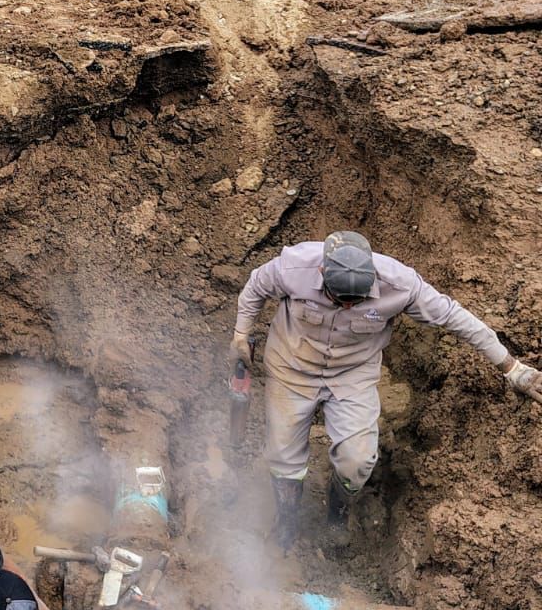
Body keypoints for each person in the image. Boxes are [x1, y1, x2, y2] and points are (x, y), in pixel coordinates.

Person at [232, 231, 542, 550]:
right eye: (341, 300)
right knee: (283, 455)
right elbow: (256, 286)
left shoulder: (401, 284)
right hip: (291, 367)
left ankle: (336, 516)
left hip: (352, 375)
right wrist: (241, 334)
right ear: (323, 273)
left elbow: (454, 316)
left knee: (358, 461)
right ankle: (287, 522)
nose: (349, 305)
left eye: (357, 300)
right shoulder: (294, 266)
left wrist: (512, 368)